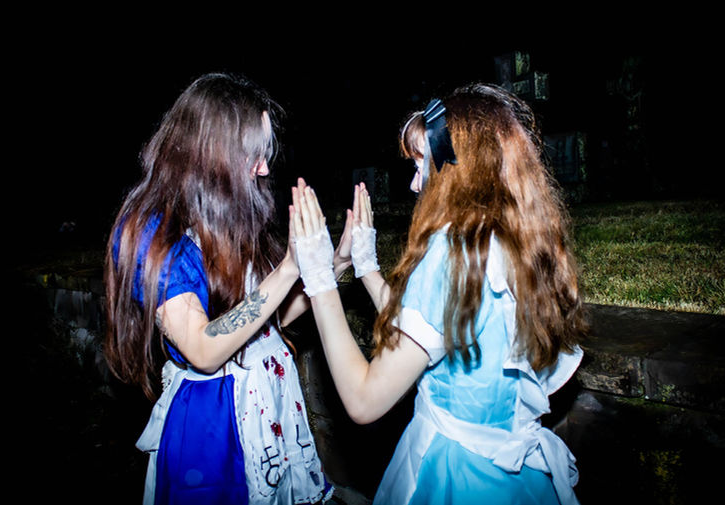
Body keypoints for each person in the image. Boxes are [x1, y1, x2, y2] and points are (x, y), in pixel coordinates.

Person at [289, 83, 588, 505]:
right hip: (515, 479)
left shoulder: (451, 250)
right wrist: (368, 267)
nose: (415, 184)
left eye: (420, 164)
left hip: (454, 475)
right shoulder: (515, 242)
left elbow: (364, 400)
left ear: (458, 168)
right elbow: (429, 333)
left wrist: (319, 276)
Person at [103, 73, 350, 504]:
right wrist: (289, 269)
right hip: (216, 421)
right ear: (213, 150)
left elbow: (268, 319)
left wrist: (334, 266)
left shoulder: (227, 212)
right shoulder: (154, 231)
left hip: (270, 404)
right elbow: (203, 348)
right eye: (254, 152)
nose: (264, 167)